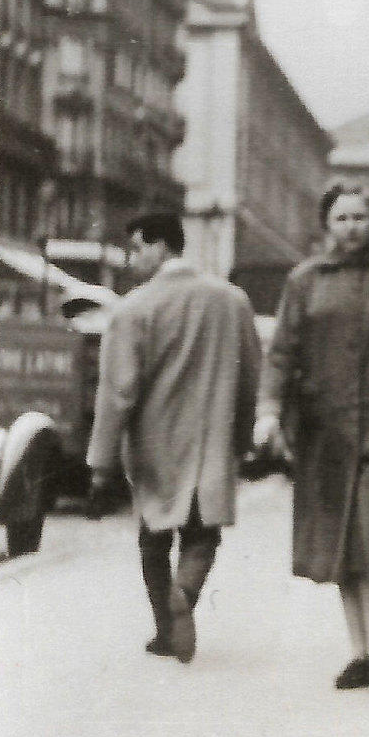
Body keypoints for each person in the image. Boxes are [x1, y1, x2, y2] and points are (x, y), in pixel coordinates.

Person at [254, 183, 369, 693]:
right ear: (326, 224)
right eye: (341, 218)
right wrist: (269, 410)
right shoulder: (305, 279)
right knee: (341, 542)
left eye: (360, 217)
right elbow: (283, 351)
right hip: (323, 428)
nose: (351, 227)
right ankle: (357, 652)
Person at [85, 210, 262, 663]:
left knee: (154, 538)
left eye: (138, 248)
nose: (134, 258)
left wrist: (101, 463)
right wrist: (242, 438)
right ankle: (185, 591)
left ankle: (165, 630)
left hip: (156, 443)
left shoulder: (133, 309)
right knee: (203, 535)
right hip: (213, 438)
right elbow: (250, 378)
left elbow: (118, 392)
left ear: (161, 245)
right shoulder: (233, 301)